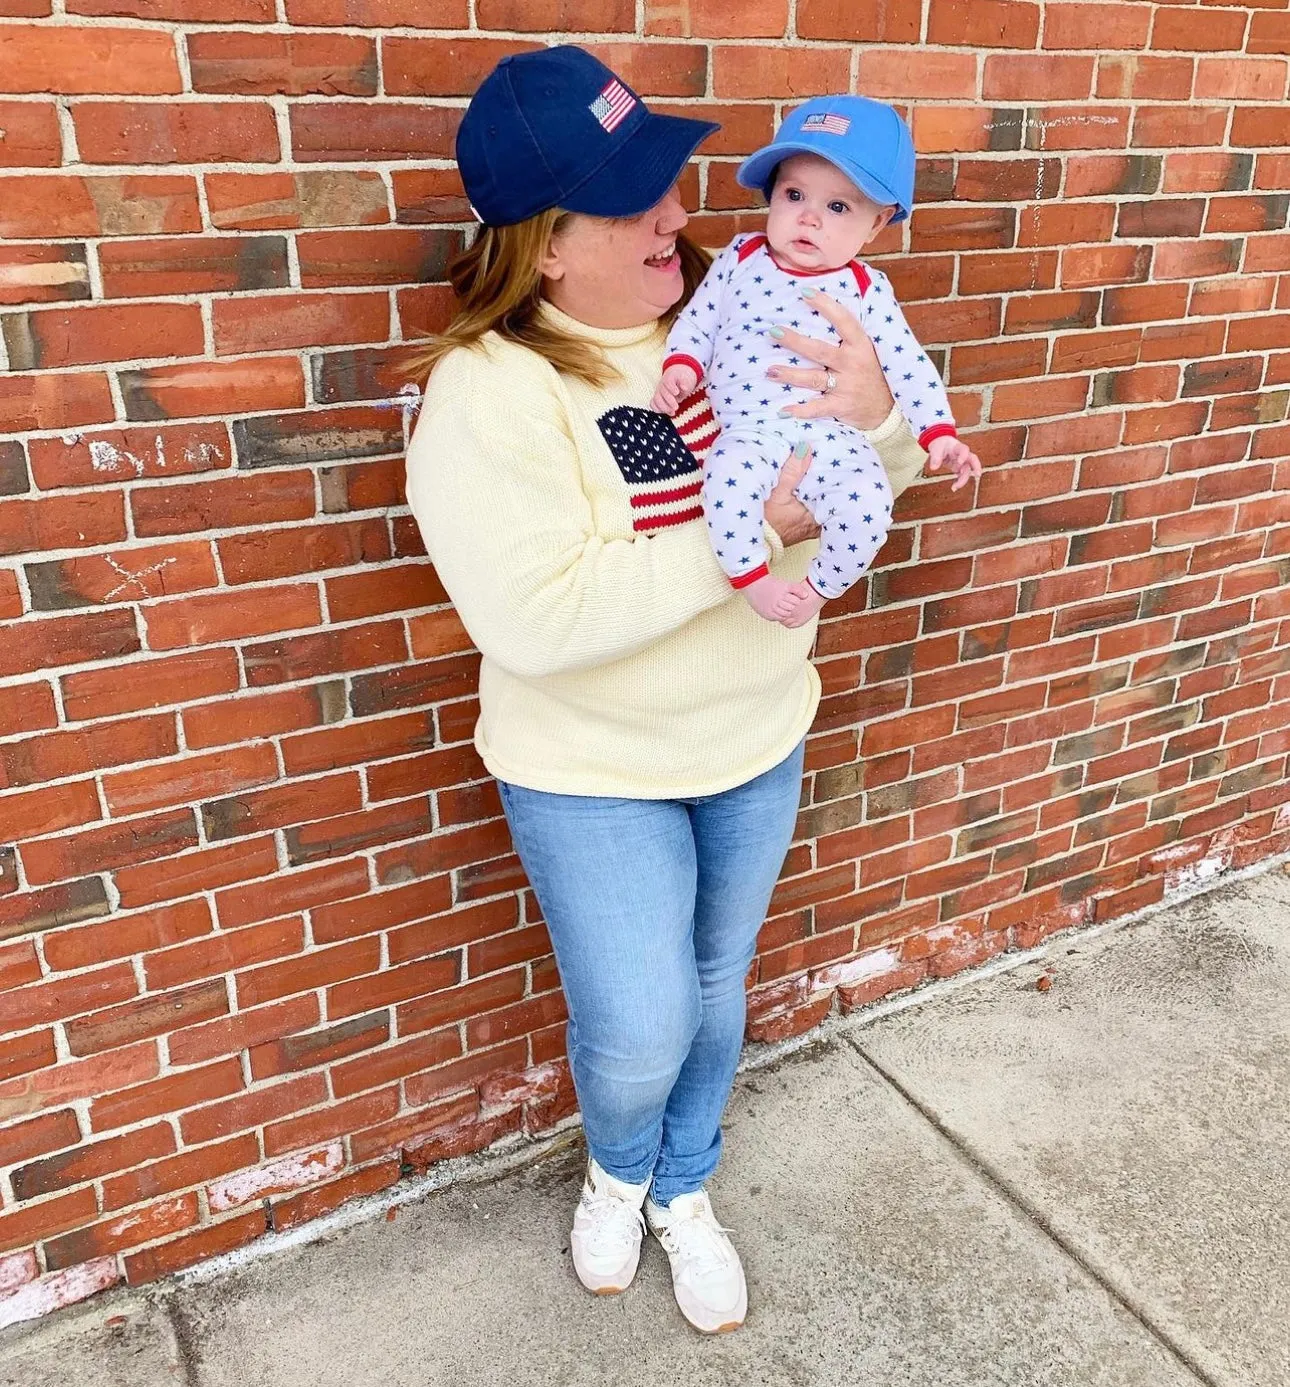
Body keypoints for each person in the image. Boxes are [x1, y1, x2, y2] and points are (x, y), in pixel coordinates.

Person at [404, 46, 934, 1336]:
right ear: (542, 247)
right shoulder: (489, 394)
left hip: (754, 734)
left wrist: (874, 420)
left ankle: (683, 1187)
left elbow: (893, 462)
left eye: (675, 181)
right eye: (634, 199)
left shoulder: (746, 303)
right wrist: (755, 531)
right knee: (640, 1026)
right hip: (594, 770)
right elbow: (538, 615)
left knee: (715, 988)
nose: (682, 213)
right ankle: (617, 1170)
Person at [653, 96, 982, 628]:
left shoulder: (866, 290)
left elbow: (907, 363)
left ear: (876, 226)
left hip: (830, 437)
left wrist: (937, 432)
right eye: (794, 194)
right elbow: (700, 319)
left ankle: (815, 587)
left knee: (870, 506)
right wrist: (683, 366)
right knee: (726, 483)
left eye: (837, 207)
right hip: (750, 429)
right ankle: (752, 581)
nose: (808, 217)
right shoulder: (739, 258)